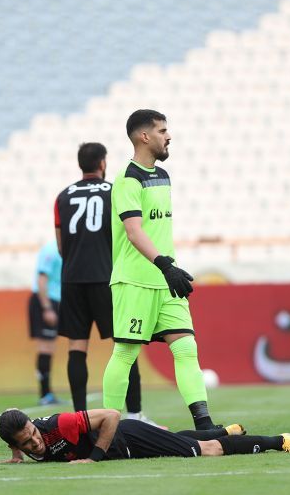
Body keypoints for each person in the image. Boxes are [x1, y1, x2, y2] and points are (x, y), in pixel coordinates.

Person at [102, 109, 215, 430]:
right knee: (125, 353)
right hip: (135, 281)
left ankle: (205, 425)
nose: (169, 136)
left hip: (167, 281)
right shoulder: (128, 178)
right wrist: (165, 264)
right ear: (144, 136)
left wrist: (169, 269)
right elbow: (134, 231)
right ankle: (108, 427)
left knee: (186, 347)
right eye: (162, 131)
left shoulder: (162, 176)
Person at [54, 142, 156, 424]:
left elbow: (61, 245)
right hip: (106, 279)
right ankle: (134, 414)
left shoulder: (62, 197)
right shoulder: (113, 191)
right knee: (125, 346)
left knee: (77, 346)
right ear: (102, 163)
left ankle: (79, 417)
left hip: (72, 279)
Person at [0, 408, 290, 463]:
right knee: (180, 440)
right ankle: (225, 431)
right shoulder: (21, 438)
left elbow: (112, 416)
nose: (35, 443)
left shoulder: (61, 424)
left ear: (35, 425)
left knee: (207, 450)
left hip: (128, 438)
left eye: (34, 434)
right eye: (26, 443)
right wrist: (16, 456)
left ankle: (281, 441)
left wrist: (94, 459)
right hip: (129, 445)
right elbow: (13, 417)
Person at [28, 239, 63, 405]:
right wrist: (47, 307)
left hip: (54, 301)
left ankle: (47, 393)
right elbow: (41, 279)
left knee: (50, 347)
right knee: (45, 347)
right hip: (45, 301)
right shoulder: (51, 250)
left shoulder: (64, 248)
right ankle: (45, 394)